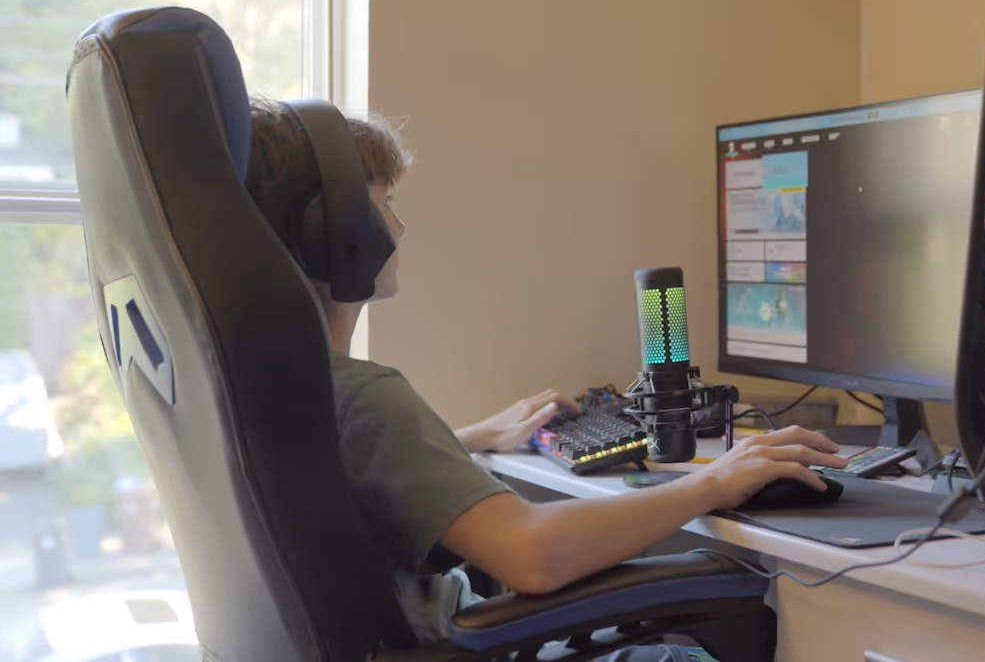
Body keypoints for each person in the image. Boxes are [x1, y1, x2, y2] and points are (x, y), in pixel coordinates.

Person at [244, 99, 847, 661]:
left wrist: (470, 437)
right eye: (386, 202)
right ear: (336, 232)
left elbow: (344, 479)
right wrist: (713, 482)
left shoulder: (282, 389)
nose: (400, 227)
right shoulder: (367, 398)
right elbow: (532, 555)